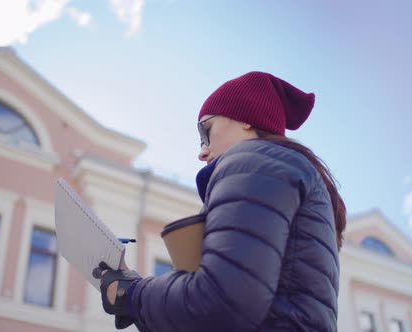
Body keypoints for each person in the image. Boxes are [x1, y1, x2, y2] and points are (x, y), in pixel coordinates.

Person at [95, 71, 347, 332]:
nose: (202, 151)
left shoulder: (255, 163)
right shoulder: (280, 172)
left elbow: (224, 302)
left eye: (206, 130)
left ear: (246, 120)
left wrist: (132, 295)